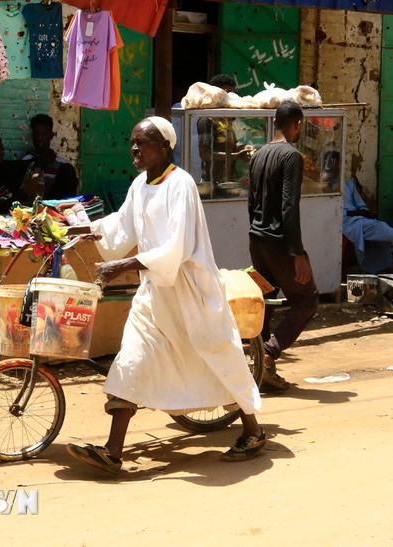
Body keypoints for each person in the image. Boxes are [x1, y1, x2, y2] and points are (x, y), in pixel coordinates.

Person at [65, 116, 265, 473]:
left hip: (190, 291)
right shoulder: (140, 185)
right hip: (155, 292)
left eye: (142, 142)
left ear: (164, 146)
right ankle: (112, 450)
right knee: (131, 359)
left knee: (217, 358)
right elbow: (120, 226)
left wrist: (124, 265)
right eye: (132, 141)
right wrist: (79, 230)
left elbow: (177, 248)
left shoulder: (180, 184)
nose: (134, 148)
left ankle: (253, 430)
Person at [248, 100, 318, 391]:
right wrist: (297, 253)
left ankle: (261, 369)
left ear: (275, 122)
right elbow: (289, 206)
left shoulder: (258, 155)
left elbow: (251, 202)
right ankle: (268, 354)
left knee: (266, 300)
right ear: (298, 124)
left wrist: (256, 233)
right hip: (279, 242)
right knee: (307, 299)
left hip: (257, 238)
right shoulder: (291, 156)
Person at [197, 74, 254, 184]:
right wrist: (235, 156)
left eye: (233, 92)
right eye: (228, 92)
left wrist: (243, 147)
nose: (231, 96)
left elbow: (232, 143)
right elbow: (205, 154)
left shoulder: (226, 119)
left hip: (229, 179)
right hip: (212, 182)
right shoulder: (207, 120)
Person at [343, 179, 393, 273]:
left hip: (359, 219)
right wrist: (356, 213)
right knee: (379, 228)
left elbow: (361, 205)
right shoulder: (327, 189)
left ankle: (382, 268)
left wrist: (364, 212)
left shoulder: (348, 184)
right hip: (344, 222)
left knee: (380, 233)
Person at [20, 113, 79, 200]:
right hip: (35, 201)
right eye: (37, 134)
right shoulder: (27, 160)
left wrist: (52, 183)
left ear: (51, 135)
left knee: (68, 169)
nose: (40, 138)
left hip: (56, 201)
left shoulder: (60, 163)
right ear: (33, 136)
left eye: (44, 134)